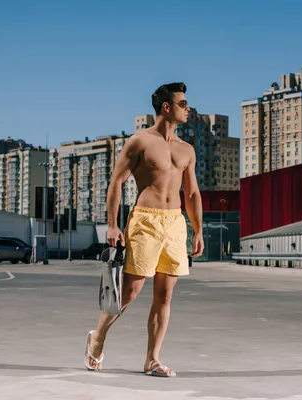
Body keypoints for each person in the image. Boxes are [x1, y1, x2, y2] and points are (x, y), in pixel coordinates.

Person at [84, 82, 204, 378]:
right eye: (183, 104)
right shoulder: (139, 142)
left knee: (164, 296)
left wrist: (198, 229)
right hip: (145, 221)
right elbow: (116, 183)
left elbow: (192, 193)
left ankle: (152, 359)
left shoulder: (186, 149)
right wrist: (112, 224)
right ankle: (96, 338)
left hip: (175, 223)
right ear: (167, 107)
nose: (188, 109)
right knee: (130, 291)